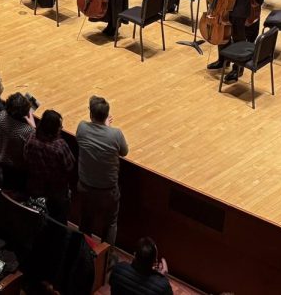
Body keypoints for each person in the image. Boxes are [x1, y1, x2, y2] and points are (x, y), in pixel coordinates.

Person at [76, 95, 128, 244]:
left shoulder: (82, 128)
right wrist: (107, 128)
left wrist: (103, 127)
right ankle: (107, 258)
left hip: (86, 187)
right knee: (110, 223)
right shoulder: (115, 134)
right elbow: (124, 152)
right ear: (106, 115)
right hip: (108, 190)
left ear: (91, 114)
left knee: (86, 220)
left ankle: (84, 251)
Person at [23, 109, 75, 223]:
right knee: (59, 221)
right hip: (57, 190)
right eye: (59, 126)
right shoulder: (60, 146)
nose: (61, 128)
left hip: (35, 185)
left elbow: (26, 157)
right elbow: (70, 166)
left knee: (36, 218)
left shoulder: (31, 139)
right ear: (55, 130)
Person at [109, 237, 173, 295]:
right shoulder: (163, 287)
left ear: (134, 255)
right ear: (155, 262)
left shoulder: (118, 269)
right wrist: (162, 278)